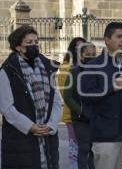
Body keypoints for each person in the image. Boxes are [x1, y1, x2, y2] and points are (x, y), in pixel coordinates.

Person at [0, 25, 62, 168]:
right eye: (29, 43)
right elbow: (6, 107)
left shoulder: (47, 67)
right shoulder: (8, 71)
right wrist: (30, 126)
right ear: (18, 47)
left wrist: (51, 124)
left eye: (36, 42)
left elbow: (56, 100)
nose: (34, 45)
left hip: (47, 136)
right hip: (21, 139)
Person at [80, 22, 122, 169]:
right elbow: (86, 96)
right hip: (105, 136)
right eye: (119, 36)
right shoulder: (93, 66)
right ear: (107, 40)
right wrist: (112, 87)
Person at [63, 42, 96, 169]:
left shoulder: (97, 71)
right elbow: (67, 97)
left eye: (94, 54)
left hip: (95, 117)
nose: (91, 57)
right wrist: (81, 111)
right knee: (84, 148)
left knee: (94, 150)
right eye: (88, 54)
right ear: (81, 56)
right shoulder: (74, 72)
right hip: (80, 119)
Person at [57, 37, 86, 169]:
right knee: (75, 146)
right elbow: (66, 95)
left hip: (86, 115)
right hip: (73, 115)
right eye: (77, 47)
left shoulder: (86, 67)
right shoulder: (66, 68)